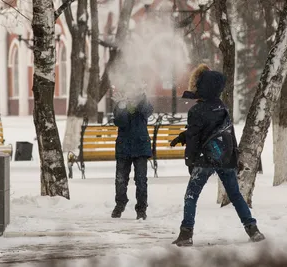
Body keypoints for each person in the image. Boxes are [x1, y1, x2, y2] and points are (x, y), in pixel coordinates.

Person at [170, 64, 265, 246]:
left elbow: (195, 137)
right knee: (235, 195)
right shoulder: (222, 107)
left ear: (202, 87)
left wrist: (190, 161)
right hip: (224, 157)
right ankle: (252, 229)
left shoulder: (196, 111)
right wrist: (234, 157)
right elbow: (225, 132)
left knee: (191, 195)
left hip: (205, 160)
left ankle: (186, 234)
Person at [111, 89, 153, 220]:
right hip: (124, 146)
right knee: (120, 179)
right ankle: (120, 203)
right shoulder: (120, 104)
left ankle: (141, 209)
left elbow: (147, 111)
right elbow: (120, 122)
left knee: (141, 180)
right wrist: (122, 105)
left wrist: (141, 97)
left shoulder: (143, 102)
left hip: (140, 147)